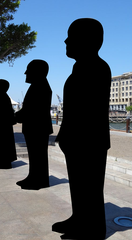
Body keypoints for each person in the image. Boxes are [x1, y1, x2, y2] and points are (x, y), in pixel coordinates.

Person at [52, 18, 111, 239]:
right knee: (79, 186)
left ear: (88, 40)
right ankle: (79, 218)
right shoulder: (81, 68)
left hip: (89, 141)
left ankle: (93, 229)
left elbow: (89, 110)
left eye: (72, 36)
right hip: (77, 140)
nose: (66, 40)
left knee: (91, 189)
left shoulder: (97, 67)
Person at [15, 59, 53, 190]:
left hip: (37, 127)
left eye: (29, 70)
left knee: (38, 155)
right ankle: (34, 177)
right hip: (36, 127)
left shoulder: (40, 87)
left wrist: (16, 117)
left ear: (37, 72)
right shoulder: (38, 85)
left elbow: (32, 109)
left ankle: (38, 180)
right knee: (35, 155)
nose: (26, 72)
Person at [0, 79, 17, 169]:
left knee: (2, 145)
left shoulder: (3, 98)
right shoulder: (0, 97)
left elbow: (6, 114)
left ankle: (3, 162)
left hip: (2, 128)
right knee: (0, 144)